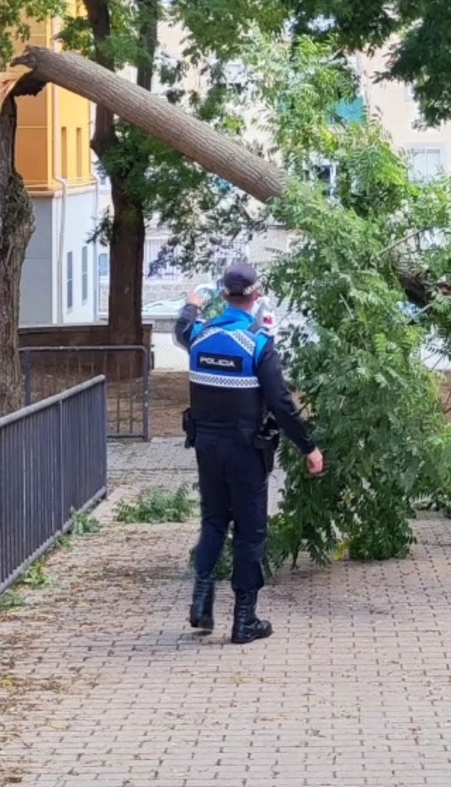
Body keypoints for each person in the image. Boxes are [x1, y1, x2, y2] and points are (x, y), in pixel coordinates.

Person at [175, 261, 323, 643]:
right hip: (247, 452)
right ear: (256, 296)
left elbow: (181, 327)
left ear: (224, 294)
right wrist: (309, 448)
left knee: (212, 521)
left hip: (206, 447)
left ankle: (202, 603)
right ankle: (244, 621)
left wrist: (192, 302)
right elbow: (281, 404)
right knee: (250, 532)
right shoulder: (258, 345)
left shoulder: (200, 336)